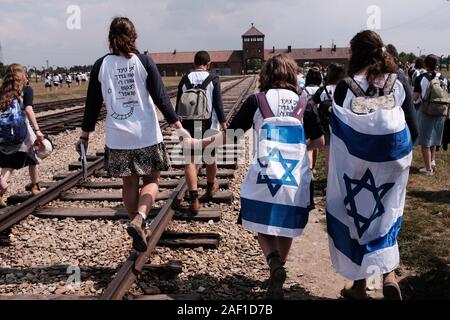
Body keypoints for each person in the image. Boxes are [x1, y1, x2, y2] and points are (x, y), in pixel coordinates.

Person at [190, 54, 324, 299]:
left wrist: (200, 143)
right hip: (294, 176)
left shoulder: (257, 100)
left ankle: (273, 263)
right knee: (286, 226)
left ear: (267, 75)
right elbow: (319, 141)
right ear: (292, 75)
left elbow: (230, 136)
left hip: (265, 174)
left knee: (260, 220)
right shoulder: (304, 102)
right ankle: (278, 271)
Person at [76, 17, 189, 253]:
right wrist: (179, 127)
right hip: (146, 134)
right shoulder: (144, 62)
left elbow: (92, 105)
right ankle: (140, 218)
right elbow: (161, 99)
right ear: (134, 36)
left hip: (118, 137)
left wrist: (85, 136)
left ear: (110, 38)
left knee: (129, 183)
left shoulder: (100, 65)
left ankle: (138, 225)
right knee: (152, 181)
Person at [329, 30, 414, 300]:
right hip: (393, 161)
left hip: (356, 163)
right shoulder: (398, 81)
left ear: (357, 53)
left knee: (358, 219)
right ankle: (389, 275)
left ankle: (360, 286)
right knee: (387, 213)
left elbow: (338, 129)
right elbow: (413, 126)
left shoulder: (346, 86)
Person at [175, 51, 226, 214]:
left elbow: (178, 106)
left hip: (189, 124)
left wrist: (179, 126)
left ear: (194, 63)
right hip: (208, 123)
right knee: (210, 157)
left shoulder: (184, 80)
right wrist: (224, 123)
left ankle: (194, 197)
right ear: (208, 64)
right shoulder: (213, 80)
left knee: (190, 161)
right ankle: (211, 186)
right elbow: (218, 104)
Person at [0, 64, 45, 208]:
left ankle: (0, 192)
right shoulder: (26, 89)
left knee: (8, 163)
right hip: (22, 133)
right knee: (32, 157)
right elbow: (29, 109)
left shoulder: (2, 92)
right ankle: (35, 186)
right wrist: (37, 130)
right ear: (22, 76)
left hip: (4, 134)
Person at [413, 54, 450, 175]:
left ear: (425, 64)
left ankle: (428, 169)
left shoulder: (421, 78)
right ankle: (432, 161)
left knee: (424, 141)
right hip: (441, 111)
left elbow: (416, 97)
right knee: (435, 137)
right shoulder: (444, 77)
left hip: (426, 111)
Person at [311, 63, 346, 175]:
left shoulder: (323, 90)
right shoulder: (346, 88)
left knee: (328, 158)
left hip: (326, 124)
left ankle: (329, 184)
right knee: (343, 157)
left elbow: (311, 104)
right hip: (343, 126)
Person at [303, 67, 323, 177]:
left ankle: (308, 166)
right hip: (318, 118)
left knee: (308, 143)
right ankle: (313, 167)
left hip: (306, 118)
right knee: (316, 145)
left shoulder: (303, 90)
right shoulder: (321, 90)